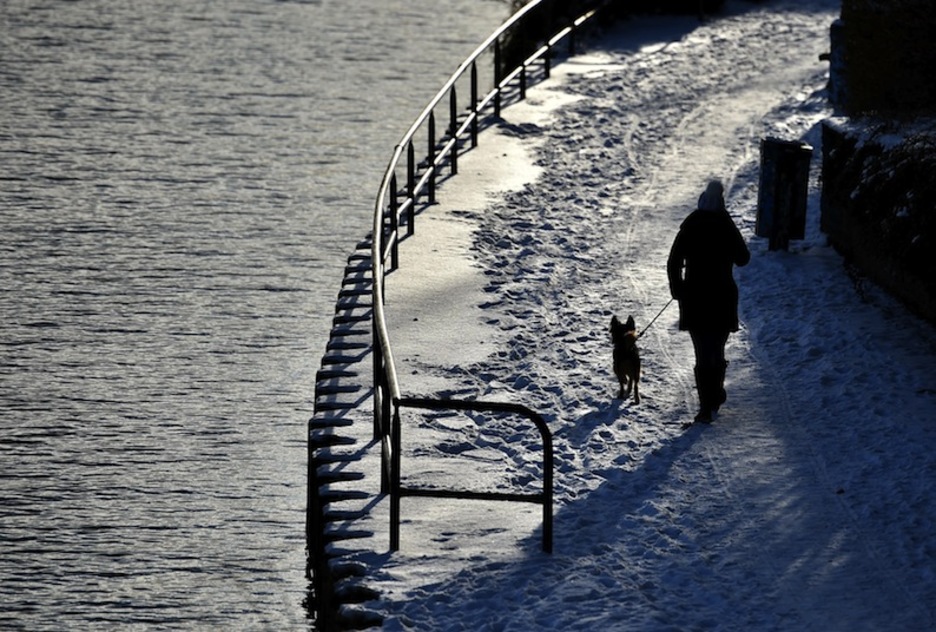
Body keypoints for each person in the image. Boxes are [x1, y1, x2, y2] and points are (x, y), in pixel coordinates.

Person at [667, 180, 751, 423]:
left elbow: (674, 261)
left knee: (702, 352)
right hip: (722, 295)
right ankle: (715, 395)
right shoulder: (725, 225)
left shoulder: (690, 225)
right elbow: (743, 258)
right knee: (717, 348)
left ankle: (707, 404)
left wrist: (678, 288)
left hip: (695, 297)